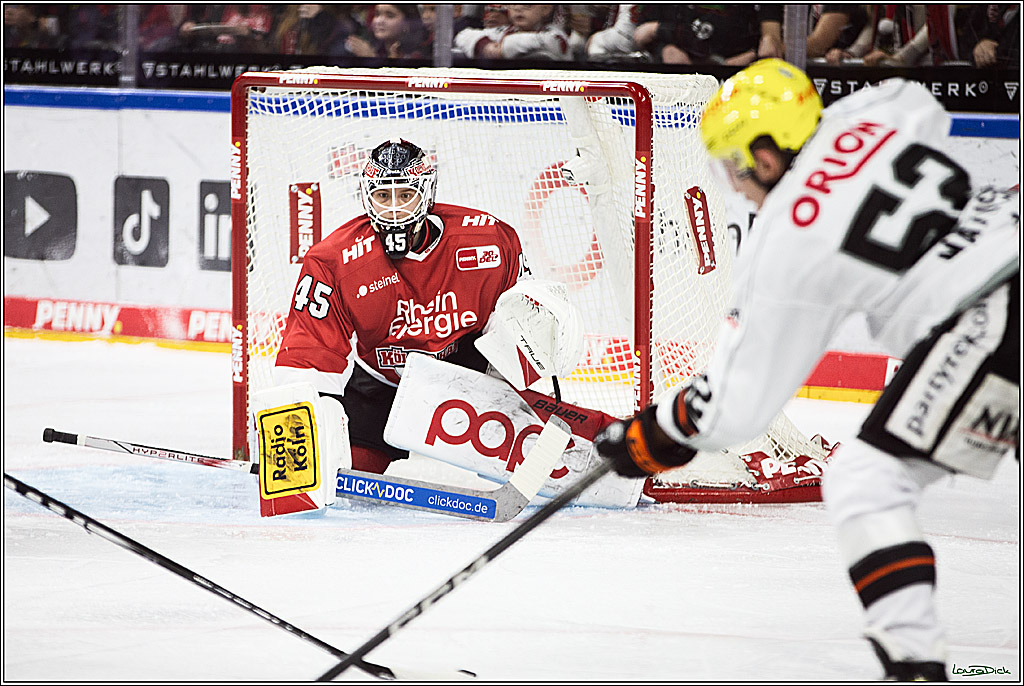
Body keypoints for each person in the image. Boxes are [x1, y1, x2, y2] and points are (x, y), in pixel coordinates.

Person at [595, 59, 1019, 680]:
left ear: (767, 157)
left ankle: (914, 664)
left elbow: (737, 407)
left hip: (988, 313)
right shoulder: (867, 120)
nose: (738, 186)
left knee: (868, 481)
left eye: (738, 165)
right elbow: (914, 100)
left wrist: (654, 436)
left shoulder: (788, 240)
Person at [273, 139, 538, 475]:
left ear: (425, 194)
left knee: (461, 476)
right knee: (353, 474)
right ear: (367, 196)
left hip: (465, 385)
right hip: (379, 386)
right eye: (383, 196)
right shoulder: (333, 261)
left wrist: (503, 399)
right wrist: (297, 450)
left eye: (405, 195)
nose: (395, 209)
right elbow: (308, 354)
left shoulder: (490, 242)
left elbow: (521, 333)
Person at [453, 4, 570, 61]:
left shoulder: (554, 35)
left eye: (527, 5)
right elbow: (463, 35)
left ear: (546, 8)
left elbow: (551, 42)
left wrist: (504, 48)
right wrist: (485, 45)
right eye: (513, 4)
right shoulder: (503, 31)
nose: (518, 8)